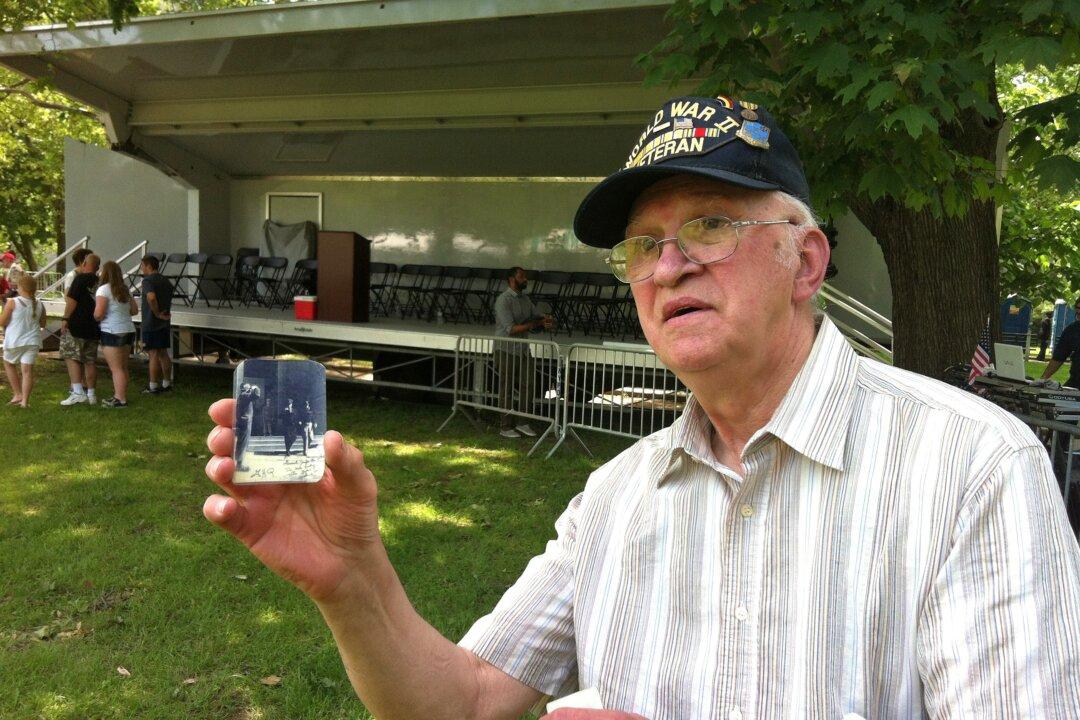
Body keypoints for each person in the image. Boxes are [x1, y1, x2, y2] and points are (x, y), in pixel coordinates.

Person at [203, 95, 1080, 719]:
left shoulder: (972, 466)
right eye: (643, 245)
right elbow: (467, 702)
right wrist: (355, 582)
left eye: (710, 225)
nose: (667, 267)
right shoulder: (617, 497)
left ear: (807, 263)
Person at [493, 266, 553, 438]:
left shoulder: (525, 299)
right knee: (507, 388)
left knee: (529, 385)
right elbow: (511, 329)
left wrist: (545, 319)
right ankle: (505, 426)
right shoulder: (503, 300)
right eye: (522, 277)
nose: (525, 279)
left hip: (523, 350)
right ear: (512, 279)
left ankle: (523, 422)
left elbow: (536, 315)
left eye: (525, 277)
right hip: (506, 349)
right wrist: (534, 325)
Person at [93, 261, 139, 408]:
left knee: (116, 368)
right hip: (128, 329)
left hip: (111, 331)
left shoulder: (103, 290)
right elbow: (134, 311)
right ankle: (122, 396)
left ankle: (119, 398)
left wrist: (94, 316)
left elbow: (99, 314)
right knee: (123, 366)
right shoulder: (125, 289)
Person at [59, 252, 101, 406]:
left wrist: (65, 318)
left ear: (84, 264)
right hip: (94, 326)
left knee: (71, 356)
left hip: (77, 324)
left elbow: (71, 300)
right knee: (90, 360)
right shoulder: (101, 281)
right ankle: (91, 395)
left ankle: (77, 392)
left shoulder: (80, 279)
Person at [0, 274, 46, 407]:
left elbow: (2, 321)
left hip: (15, 340)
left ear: (20, 288)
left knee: (8, 364)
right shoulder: (40, 304)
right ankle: (25, 402)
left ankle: (17, 394)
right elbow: (43, 324)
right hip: (33, 341)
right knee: (27, 371)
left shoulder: (12, 302)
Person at [138, 255, 174, 395]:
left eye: (142, 266)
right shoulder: (165, 281)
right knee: (163, 353)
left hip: (151, 321)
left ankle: (153, 386)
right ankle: (166, 383)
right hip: (165, 321)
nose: (142, 268)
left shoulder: (148, 281)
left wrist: (156, 312)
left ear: (148, 266)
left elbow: (151, 297)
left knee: (152, 354)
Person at [1039, 299, 1080, 389]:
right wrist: (1042, 379)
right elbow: (1058, 357)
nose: (1078, 311)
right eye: (1077, 308)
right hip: (1076, 382)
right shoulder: (1072, 330)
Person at [234, 383, 257, 472]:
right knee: (243, 443)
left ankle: (239, 464)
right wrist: (255, 387)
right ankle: (239, 466)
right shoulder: (244, 395)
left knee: (241, 443)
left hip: (242, 421)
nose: (250, 387)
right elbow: (256, 395)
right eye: (248, 386)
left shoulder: (242, 396)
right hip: (245, 422)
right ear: (244, 388)